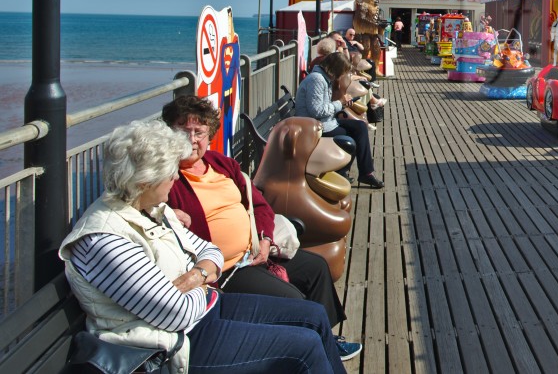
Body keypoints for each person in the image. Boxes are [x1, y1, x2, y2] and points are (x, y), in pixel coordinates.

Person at [59, 120, 347, 374]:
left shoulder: (152, 208)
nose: (175, 177)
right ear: (145, 180)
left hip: (207, 309)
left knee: (314, 316)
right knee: (304, 346)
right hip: (175, 343)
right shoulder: (105, 239)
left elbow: (211, 251)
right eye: (170, 171)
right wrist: (204, 280)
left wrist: (194, 277)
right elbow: (176, 313)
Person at [160, 96, 360, 362]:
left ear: (210, 135)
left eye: (199, 132)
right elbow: (145, 211)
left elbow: (261, 206)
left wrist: (265, 239)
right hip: (226, 269)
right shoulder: (166, 177)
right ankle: (303, 353)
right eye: (183, 132)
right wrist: (166, 214)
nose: (192, 140)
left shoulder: (222, 165)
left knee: (316, 268)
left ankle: (326, 340)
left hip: (255, 248)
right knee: (292, 300)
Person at [296, 50, 383, 188]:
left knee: (360, 126)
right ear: (335, 69)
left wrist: (341, 103)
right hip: (314, 127)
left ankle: (366, 173)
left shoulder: (323, 78)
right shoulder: (316, 80)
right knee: (352, 136)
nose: (342, 76)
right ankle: (341, 172)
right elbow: (316, 111)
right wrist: (340, 103)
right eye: (342, 72)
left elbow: (322, 107)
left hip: (326, 122)